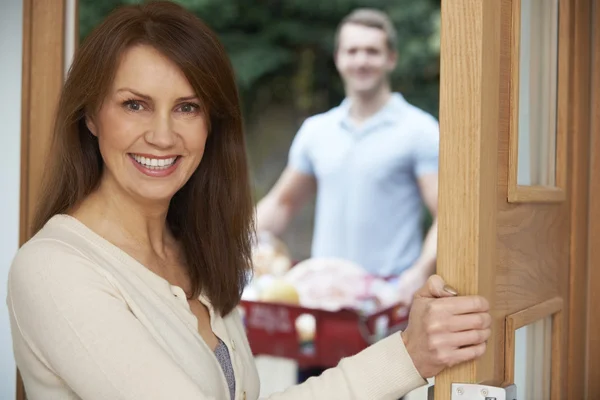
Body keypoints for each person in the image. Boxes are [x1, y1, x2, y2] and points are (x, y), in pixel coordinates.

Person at [6, 2, 491, 399]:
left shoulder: (194, 254)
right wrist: (404, 356)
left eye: (187, 107)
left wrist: (410, 328)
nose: (161, 135)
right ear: (91, 115)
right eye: (135, 104)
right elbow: (281, 204)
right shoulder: (54, 270)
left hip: (378, 299)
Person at [256, 9, 439, 307]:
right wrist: (232, 245)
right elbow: (282, 203)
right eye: (352, 51)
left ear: (391, 58)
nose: (361, 60)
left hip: (389, 301)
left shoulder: (420, 131)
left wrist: (420, 273)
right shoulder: (316, 131)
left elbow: (447, 215)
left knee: (387, 358)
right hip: (322, 298)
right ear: (339, 58)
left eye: (372, 51)